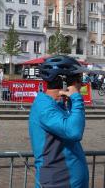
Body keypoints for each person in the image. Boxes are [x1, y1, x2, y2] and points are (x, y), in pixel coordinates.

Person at [29, 55, 89, 188]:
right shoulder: (44, 107)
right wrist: (77, 98)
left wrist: (71, 103)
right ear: (64, 81)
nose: (82, 84)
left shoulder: (57, 105)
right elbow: (74, 132)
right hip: (57, 182)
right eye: (78, 79)